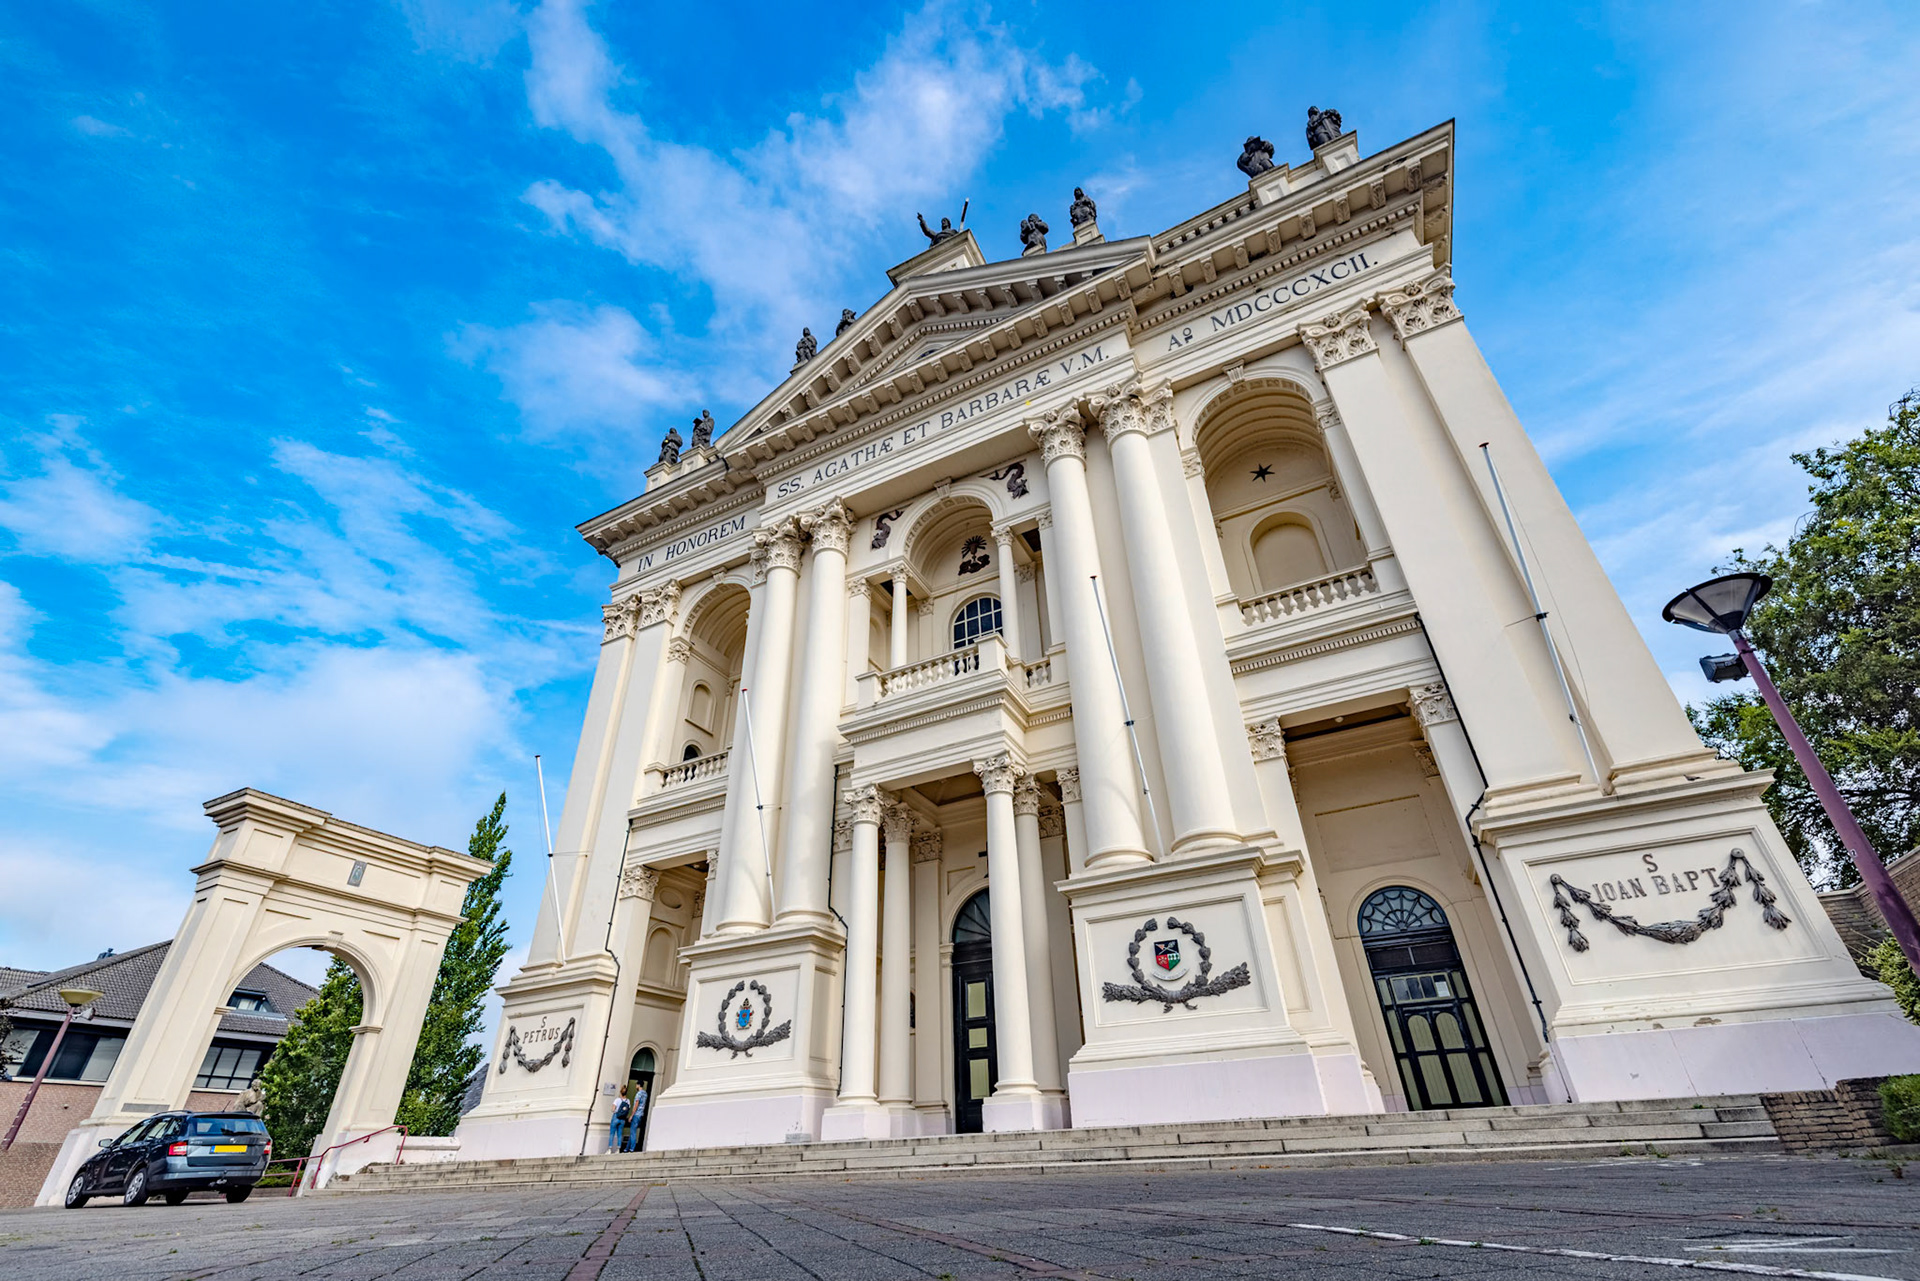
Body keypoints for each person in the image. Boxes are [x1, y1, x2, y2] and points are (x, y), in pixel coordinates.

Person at [626, 1080, 649, 1153]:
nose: (636, 1086)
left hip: (636, 1114)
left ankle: (632, 1148)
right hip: (641, 1114)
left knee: (633, 1132)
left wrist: (631, 1115)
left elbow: (636, 1104)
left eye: (636, 1085)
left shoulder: (638, 1094)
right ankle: (627, 1148)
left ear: (639, 1085)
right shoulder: (645, 1094)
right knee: (632, 1131)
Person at [608, 1087, 632, 1154]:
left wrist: (616, 1110)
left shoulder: (617, 1100)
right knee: (619, 1134)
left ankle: (610, 1149)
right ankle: (618, 1149)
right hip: (622, 1119)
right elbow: (628, 1109)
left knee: (612, 1133)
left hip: (616, 1117)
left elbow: (613, 1109)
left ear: (620, 1092)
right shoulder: (628, 1101)